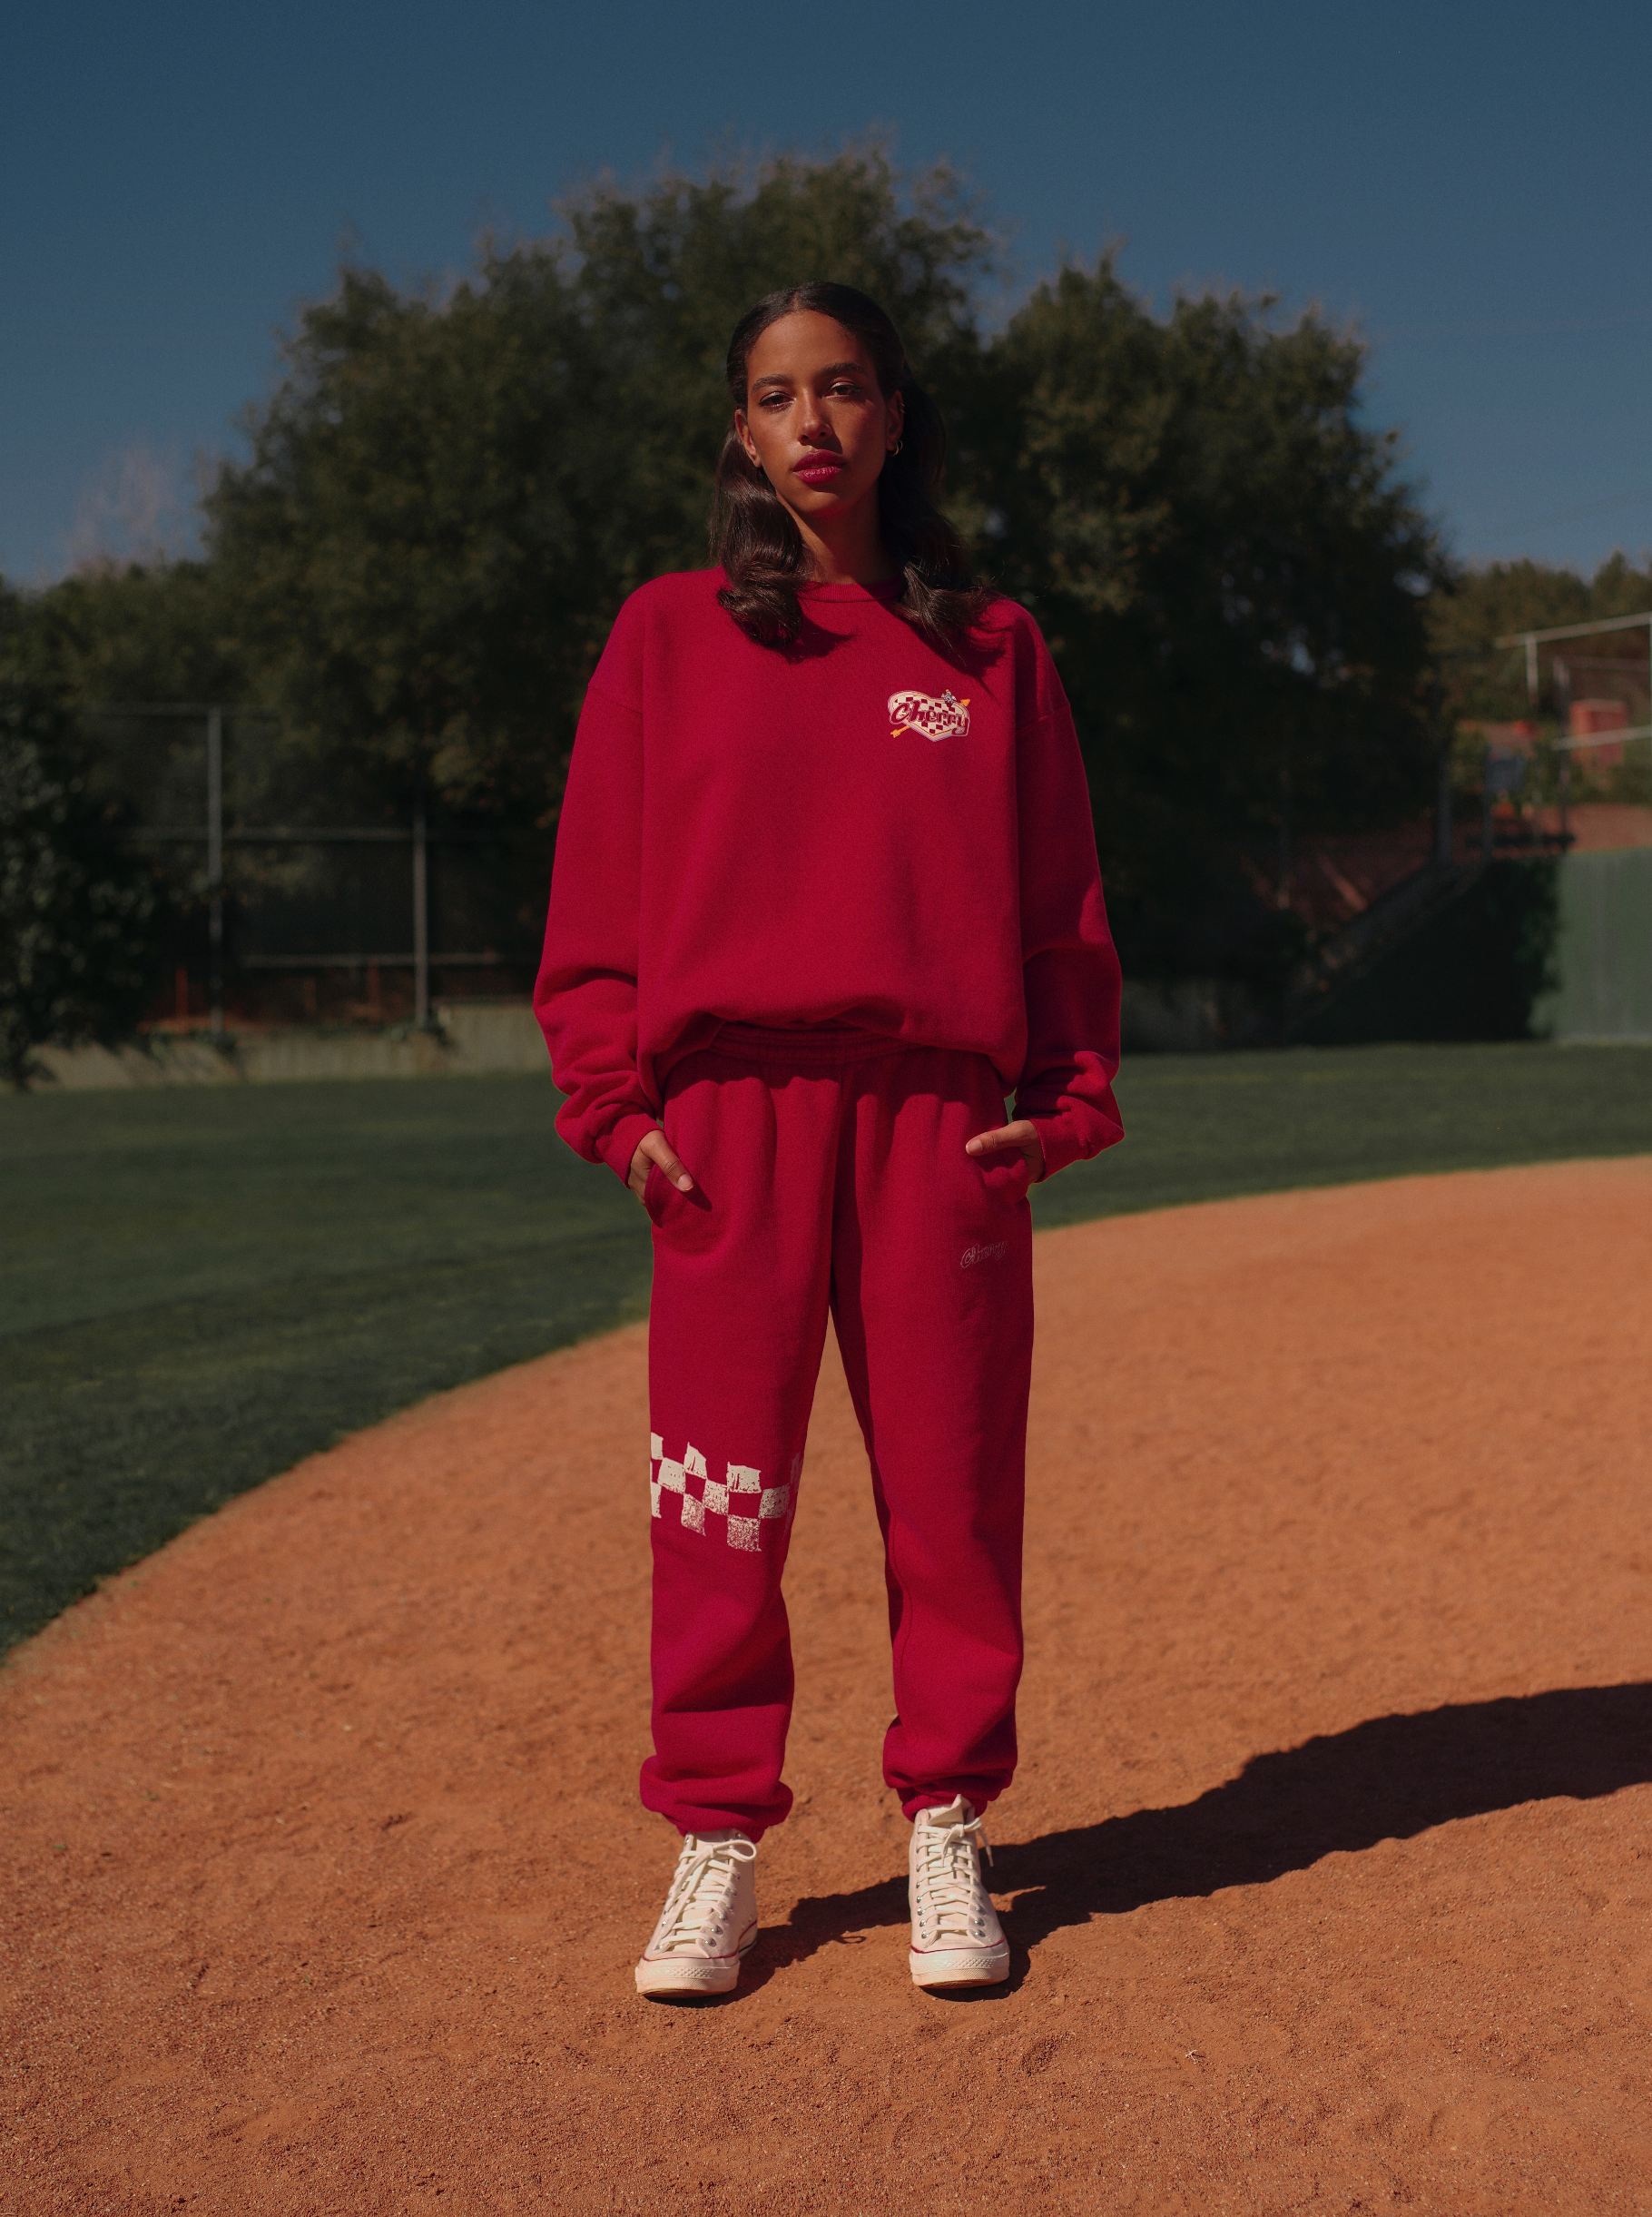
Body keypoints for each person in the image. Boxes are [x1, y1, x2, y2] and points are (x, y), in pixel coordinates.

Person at [536, 281, 1122, 1999]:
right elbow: (597, 897)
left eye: (845, 387)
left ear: (891, 416)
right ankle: (717, 1830)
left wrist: (1070, 1091)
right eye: (778, 394)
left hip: (940, 1123)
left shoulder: (990, 645)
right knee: (718, 1503)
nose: (813, 422)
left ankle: (949, 1813)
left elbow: (1056, 895)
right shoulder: (665, 632)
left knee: (950, 1493)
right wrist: (612, 1106)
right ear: (742, 427)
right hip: (726, 1124)